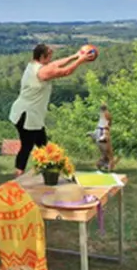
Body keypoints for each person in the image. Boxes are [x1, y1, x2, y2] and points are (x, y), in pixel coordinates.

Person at [9, 43, 97, 176]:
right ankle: (18, 176)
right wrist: (80, 60)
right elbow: (65, 71)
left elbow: (55, 64)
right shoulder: (41, 72)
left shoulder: (34, 64)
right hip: (27, 116)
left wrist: (75, 56)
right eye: (49, 56)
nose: (51, 59)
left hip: (33, 116)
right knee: (27, 147)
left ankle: (50, 173)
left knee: (43, 146)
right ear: (43, 57)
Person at [89, 103, 114, 170]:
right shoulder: (105, 113)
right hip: (101, 129)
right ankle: (100, 136)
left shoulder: (103, 114)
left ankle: (96, 135)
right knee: (107, 152)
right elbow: (109, 121)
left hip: (100, 129)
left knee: (105, 152)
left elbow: (108, 120)